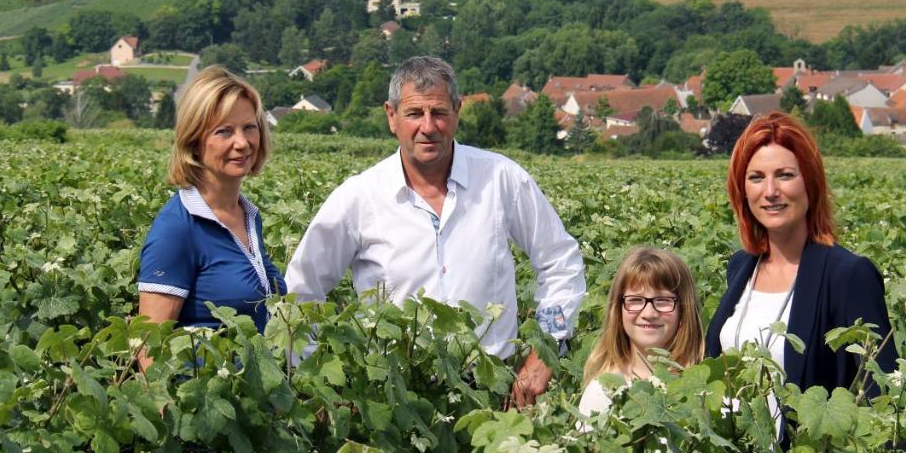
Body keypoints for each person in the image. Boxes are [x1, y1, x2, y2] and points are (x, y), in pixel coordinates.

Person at [285, 56, 586, 407]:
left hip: (494, 394)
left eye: (439, 112)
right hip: (395, 400)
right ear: (390, 116)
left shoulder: (501, 179)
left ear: (457, 112)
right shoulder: (359, 197)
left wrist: (544, 353)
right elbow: (301, 291)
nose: (428, 126)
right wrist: (318, 383)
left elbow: (560, 262)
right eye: (414, 113)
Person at [704, 111, 897, 424]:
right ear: (742, 190)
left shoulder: (848, 275)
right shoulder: (741, 266)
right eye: (756, 177)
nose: (770, 191)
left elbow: (883, 394)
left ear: (810, 181)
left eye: (784, 175)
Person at [136, 66, 285, 364]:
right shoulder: (178, 228)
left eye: (249, 127)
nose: (242, 143)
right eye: (224, 131)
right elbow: (149, 353)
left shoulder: (248, 215)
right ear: (194, 141)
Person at [579, 247, 703, 415]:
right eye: (635, 300)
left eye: (663, 300)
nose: (649, 313)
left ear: (684, 309)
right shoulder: (603, 391)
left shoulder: (702, 390)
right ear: (618, 310)